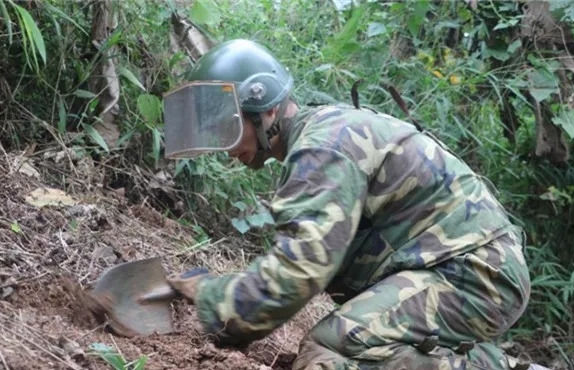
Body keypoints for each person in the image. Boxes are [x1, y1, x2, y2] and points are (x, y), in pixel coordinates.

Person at [165, 39, 532, 370]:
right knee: (358, 345)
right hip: (465, 266)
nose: (226, 149)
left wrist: (214, 306)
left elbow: (297, 272)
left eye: (228, 128)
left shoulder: (323, 148)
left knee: (330, 354)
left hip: (475, 272)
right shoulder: (323, 137)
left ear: (266, 110)